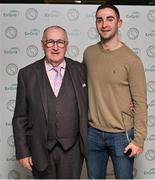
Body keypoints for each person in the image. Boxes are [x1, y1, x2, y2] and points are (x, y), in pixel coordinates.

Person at [12, 25, 88, 179]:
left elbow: (100, 96)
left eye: (60, 42)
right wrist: (22, 151)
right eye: (50, 42)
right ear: (42, 44)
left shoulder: (81, 70)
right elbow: (20, 117)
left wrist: (126, 104)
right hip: (40, 150)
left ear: (66, 45)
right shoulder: (27, 74)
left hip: (72, 151)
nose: (55, 47)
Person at [83, 4, 147, 179]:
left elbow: (140, 102)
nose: (104, 24)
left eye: (109, 19)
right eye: (99, 20)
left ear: (119, 23)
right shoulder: (88, 54)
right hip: (93, 133)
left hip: (122, 136)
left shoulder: (132, 60)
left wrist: (139, 139)